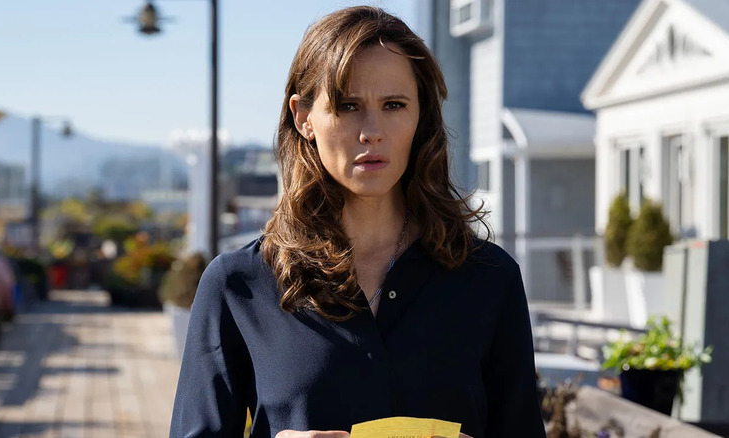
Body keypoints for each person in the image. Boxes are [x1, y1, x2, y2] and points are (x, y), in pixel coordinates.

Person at [170, 6, 545, 438]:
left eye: (394, 105)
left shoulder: (490, 279)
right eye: (348, 105)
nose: (372, 130)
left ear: (420, 116)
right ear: (303, 117)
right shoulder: (237, 286)